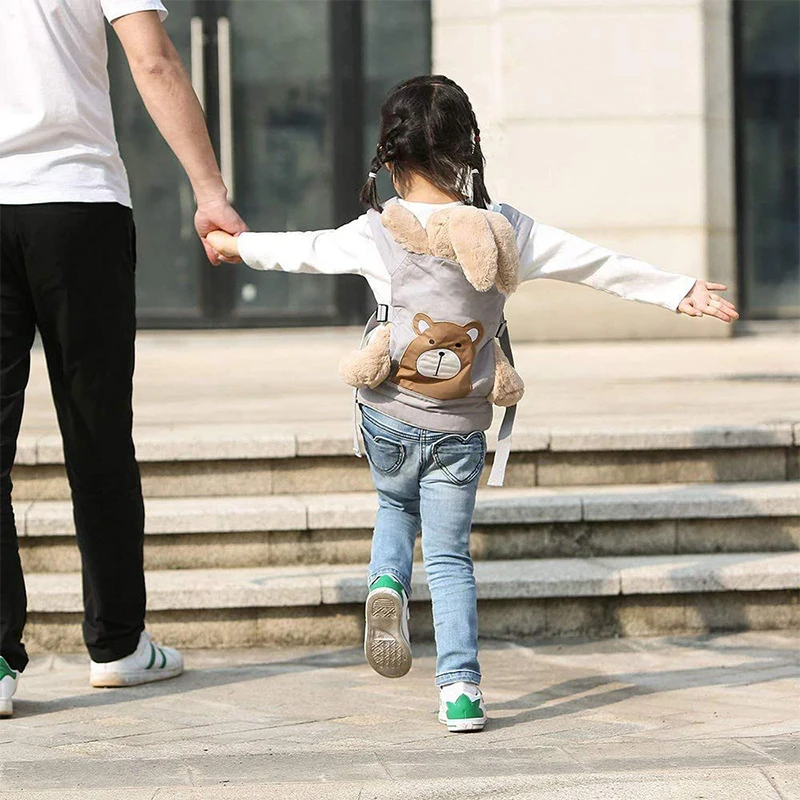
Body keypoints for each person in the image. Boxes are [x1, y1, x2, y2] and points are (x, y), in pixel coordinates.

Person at [206, 75, 739, 733]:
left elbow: (300, 250)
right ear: (467, 152)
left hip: (389, 413)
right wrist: (675, 289)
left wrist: (234, 245)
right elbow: (595, 263)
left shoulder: (375, 232)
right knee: (452, 557)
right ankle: (460, 693)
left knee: (394, 507)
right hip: (459, 425)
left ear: (391, 159)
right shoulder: (507, 229)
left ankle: (384, 586)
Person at [0, 0, 247, 718]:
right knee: (98, 434)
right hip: (78, 206)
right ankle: (117, 645)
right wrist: (210, 192)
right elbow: (153, 58)